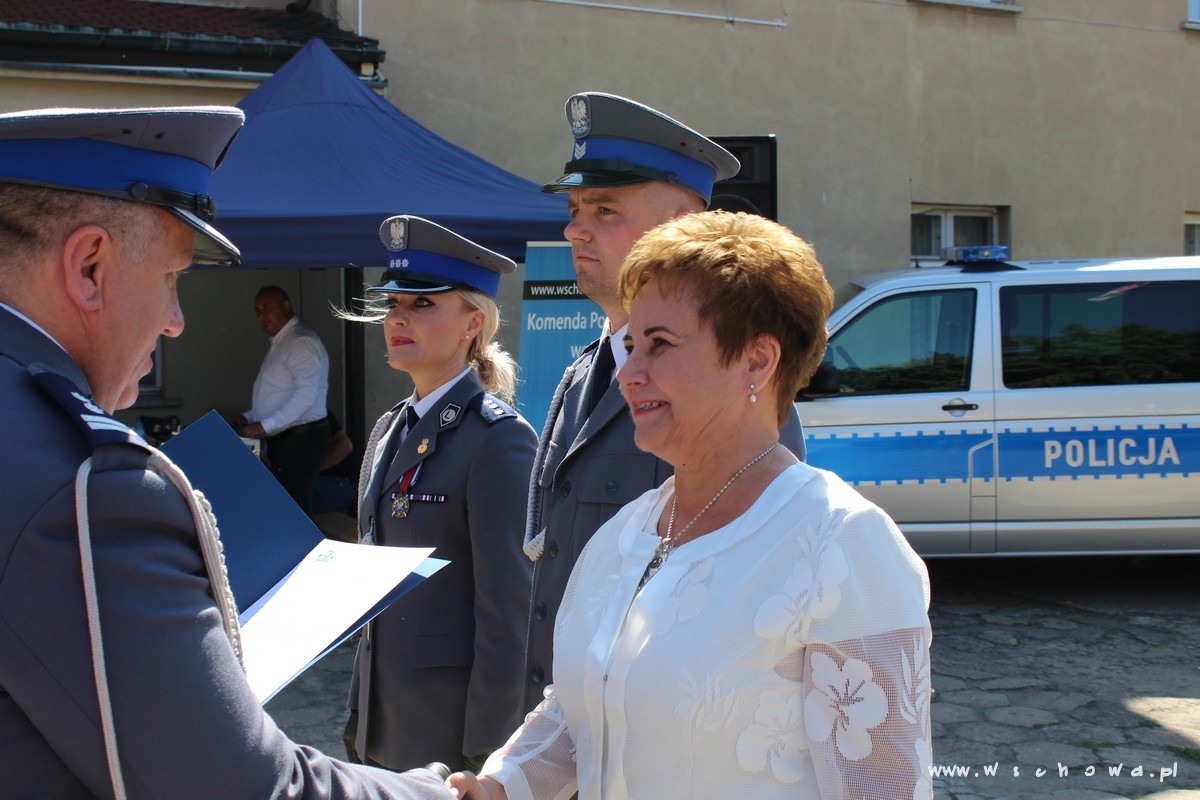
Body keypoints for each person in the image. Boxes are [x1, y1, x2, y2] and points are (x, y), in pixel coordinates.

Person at [0, 106, 452, 798]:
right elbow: (242, 787)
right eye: (171, 278)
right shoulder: (88, 490)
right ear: (89, 267)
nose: (175, 322)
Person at [449, 211, 933, 800]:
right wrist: (500, 786)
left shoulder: (841, 543)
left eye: (659, 345)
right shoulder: (625, 533)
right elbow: (586, 709)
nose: (628, 374)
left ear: (757, 361)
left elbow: (881, 789)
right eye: (631, 346)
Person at [520, 92, 808, 710]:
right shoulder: (582, 377)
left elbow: (758, 599)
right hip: (568, 725)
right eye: (573, 210)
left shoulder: (733, 388)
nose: (574, 229)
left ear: (678, 226)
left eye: (604, 209)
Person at [344, 216, 537, 774]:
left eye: (423, 304)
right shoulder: (388, 431)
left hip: (450, 737)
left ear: (473, 323)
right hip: (383, 723)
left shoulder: (497, 439)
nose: (397, 318)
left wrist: (490, 755)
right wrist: (359, 712)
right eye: (393, 304)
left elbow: (509, 616)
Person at [230, 284, 332, 516]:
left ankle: (305, 542)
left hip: (302, 438)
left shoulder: (300, 340)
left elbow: (306, 395)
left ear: (286, 306)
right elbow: (278, 393)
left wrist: (265, 425)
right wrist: (248, 417)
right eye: (258, 310)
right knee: (286, 507)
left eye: (268, 307)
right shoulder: (283, 340)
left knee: (293, 510)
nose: (262, 315)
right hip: (288, 438)